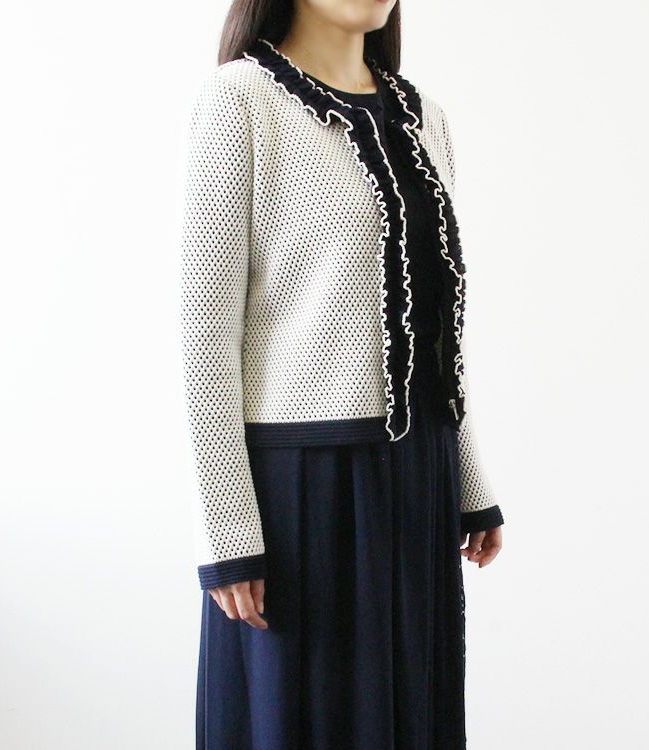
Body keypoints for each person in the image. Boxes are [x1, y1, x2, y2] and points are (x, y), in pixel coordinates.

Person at [178, 1, 505, 747]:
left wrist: (467, 479)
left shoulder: (424, 117)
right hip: (300, 488)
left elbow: (437, 336)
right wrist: (226, 530)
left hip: (416, 477)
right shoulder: (240, 99)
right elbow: (205, 335)